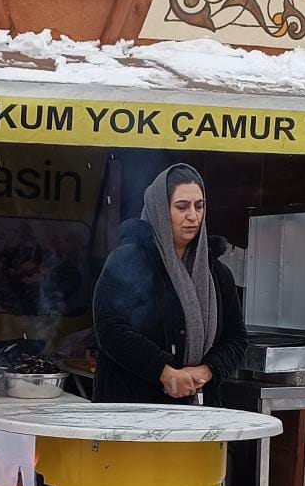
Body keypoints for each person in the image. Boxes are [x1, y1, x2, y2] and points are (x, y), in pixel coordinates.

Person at [90, 164, 247, 404]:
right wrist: (163, 372)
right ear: (161, 210)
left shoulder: (218, 274)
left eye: (199, 206)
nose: (193, 216)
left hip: (198, 410)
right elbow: (110, 328)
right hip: (131, 406)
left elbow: (236, 338)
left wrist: (206, 371)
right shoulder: (129, 260)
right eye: (182, 207)